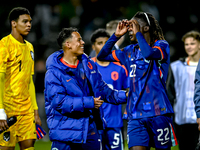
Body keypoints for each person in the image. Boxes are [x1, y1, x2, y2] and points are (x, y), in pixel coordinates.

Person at [97, 11, 177, 150]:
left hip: (159, 112)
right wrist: (116, 36)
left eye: (133, 26)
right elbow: (102, 55)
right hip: (135, 115)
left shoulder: (161, 45)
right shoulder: (128, 51)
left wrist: (138, 33)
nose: (130, 30)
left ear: (145, 28)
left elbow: (148, 54)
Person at [44, 27, 128, 150]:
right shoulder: (54, 72)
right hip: (65, 135)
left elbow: (103, 89)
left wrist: (126, 95)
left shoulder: (88, 65)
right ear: (68, 44)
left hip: (89, 131)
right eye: (79, 40)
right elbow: (59, 102)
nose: (83, 42)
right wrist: (89, 102)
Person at [0, 7, 41, 150]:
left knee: (29, 145)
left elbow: (29, 81)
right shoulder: (4, 45)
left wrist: (35, 111)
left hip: (26, 111)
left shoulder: (30, 47)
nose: (29, 25)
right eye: (25, 22)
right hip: (8, 109)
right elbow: (0, 80)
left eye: (30, 22)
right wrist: (1, 113)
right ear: (14, 23)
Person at [90, 28, 129, 150]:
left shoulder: (120, 68)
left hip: (114, 122)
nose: (102, 46)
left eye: (105, 43)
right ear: (93, 46)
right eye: (99, 43)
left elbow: (128, 91)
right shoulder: (87, 67)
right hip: (95, 123)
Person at [167, 31, 200, 150]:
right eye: (187, 44)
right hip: (183, 120)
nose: (189, 47)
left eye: (192, 43)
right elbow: (170, 94)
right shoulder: (176, 67)